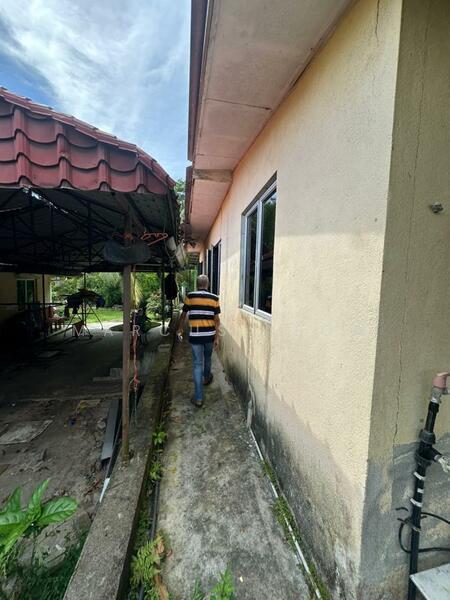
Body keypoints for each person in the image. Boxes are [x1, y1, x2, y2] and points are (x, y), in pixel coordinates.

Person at [177, 274, 220, 407]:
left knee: (197, 364)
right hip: (209, 335)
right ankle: (206, 377)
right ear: (208, 284)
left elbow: (183, 315)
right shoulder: (214, 298)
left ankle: (199, 398)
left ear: (197, 284)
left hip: (196, 335)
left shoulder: (190, 296)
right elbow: (216, 320)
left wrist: (180, 329)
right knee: (208, 358)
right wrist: (217, 337)